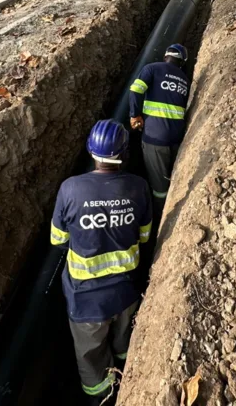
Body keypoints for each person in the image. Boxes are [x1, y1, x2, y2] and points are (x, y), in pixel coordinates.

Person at [50, 120, 152, 403]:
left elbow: (57, 240)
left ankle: (104, 396)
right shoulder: (139, 186)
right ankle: (127, 370)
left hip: (86, 302)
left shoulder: (70, 188)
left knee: (91, 357)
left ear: (90, 151)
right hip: (125, 292)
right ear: (124, 153)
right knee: (124, 342)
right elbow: (144, 236)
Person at [129, 44, 190, 208]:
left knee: (159, 188)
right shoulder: (184, 80)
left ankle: (159, 215)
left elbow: (135, 90)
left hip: (155, 138)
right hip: (177, 137)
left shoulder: (152, 69)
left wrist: (134, 115)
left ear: (165, 56)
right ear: (182, 62)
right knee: (173, 174)